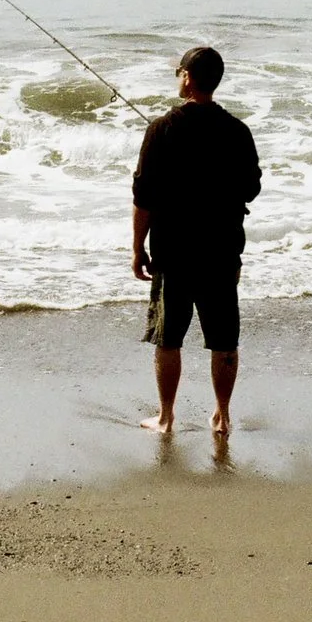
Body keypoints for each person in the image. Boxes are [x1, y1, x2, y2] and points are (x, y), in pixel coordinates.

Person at [132, 46, 261, 436]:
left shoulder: (161, 129)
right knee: (224, 340)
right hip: (222, 250)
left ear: (187, 78)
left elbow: (143, 198)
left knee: (168, 338)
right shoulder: (237, 131)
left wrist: (137, 248)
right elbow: (251, 189)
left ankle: (166, 417)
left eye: (178, 72)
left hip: (173, 252)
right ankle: (222, 416)